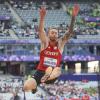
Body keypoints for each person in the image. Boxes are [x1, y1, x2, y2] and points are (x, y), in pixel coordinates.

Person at [23, 4, 80, 93]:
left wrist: (73, 17)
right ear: (48, 34)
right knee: (26, 87)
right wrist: (42, 17)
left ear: (57, 35)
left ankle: (47, 75)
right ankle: (36, 85)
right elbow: (41, 31)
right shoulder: (45, 43)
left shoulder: (60, 43)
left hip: (52, 74)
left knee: (57, 70)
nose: (54, 34)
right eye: (52, 32)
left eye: (56, 33)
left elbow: (70, 32)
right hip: (39, 72)